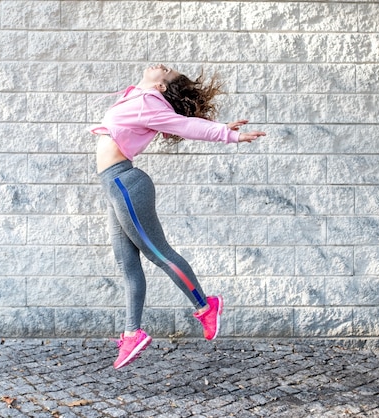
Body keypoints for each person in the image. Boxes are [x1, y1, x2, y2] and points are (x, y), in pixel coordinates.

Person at [90, 64, 266, 369]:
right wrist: (218, 125)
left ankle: (205, 306)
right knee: (126, 262)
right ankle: (132, 334)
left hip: (126, 184)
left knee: (159, 254)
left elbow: (183, 126)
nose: (162, 66)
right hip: (115, 185)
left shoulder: (148, 103)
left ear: (160, 87)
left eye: (166, 71)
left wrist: (227, 134)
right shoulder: (140, 97)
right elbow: (183, 121)